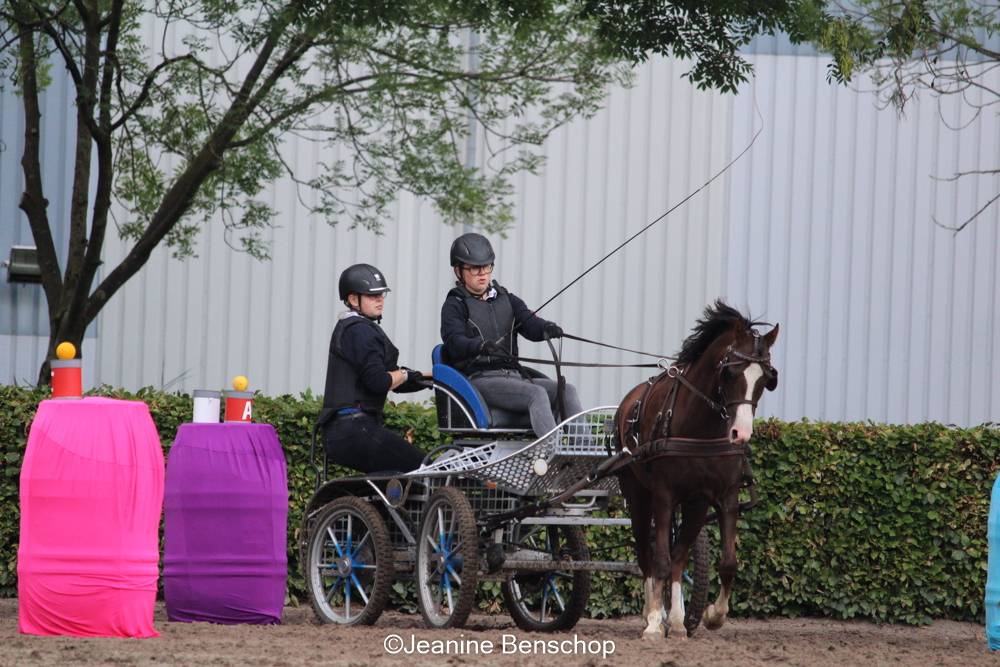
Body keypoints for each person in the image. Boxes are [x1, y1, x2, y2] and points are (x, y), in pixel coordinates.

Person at [440, 233, 583, 437]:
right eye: (474, 268)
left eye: (486, 266)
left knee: (567, 390)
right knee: (536, 393)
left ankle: (584, 451)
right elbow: (454, 342)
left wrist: (546, 328)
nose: (482, 273)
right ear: (459, 271)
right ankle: (553, 450)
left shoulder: (507, 298)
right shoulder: (454, 305)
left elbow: (529, 322)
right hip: (480, 379)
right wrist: (479, 346)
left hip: (514, 376)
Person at [320, 264, 429, 474]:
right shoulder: (360, 330)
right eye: (372, 296)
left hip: (341, 431)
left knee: (398, 477)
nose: (379, 299)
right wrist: (405, 374)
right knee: (426, 469)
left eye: (381, 295)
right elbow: (379, 382)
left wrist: (431, 379)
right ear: (353, 300)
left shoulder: (353, 327)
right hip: (355, 429)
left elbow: (393, 381)